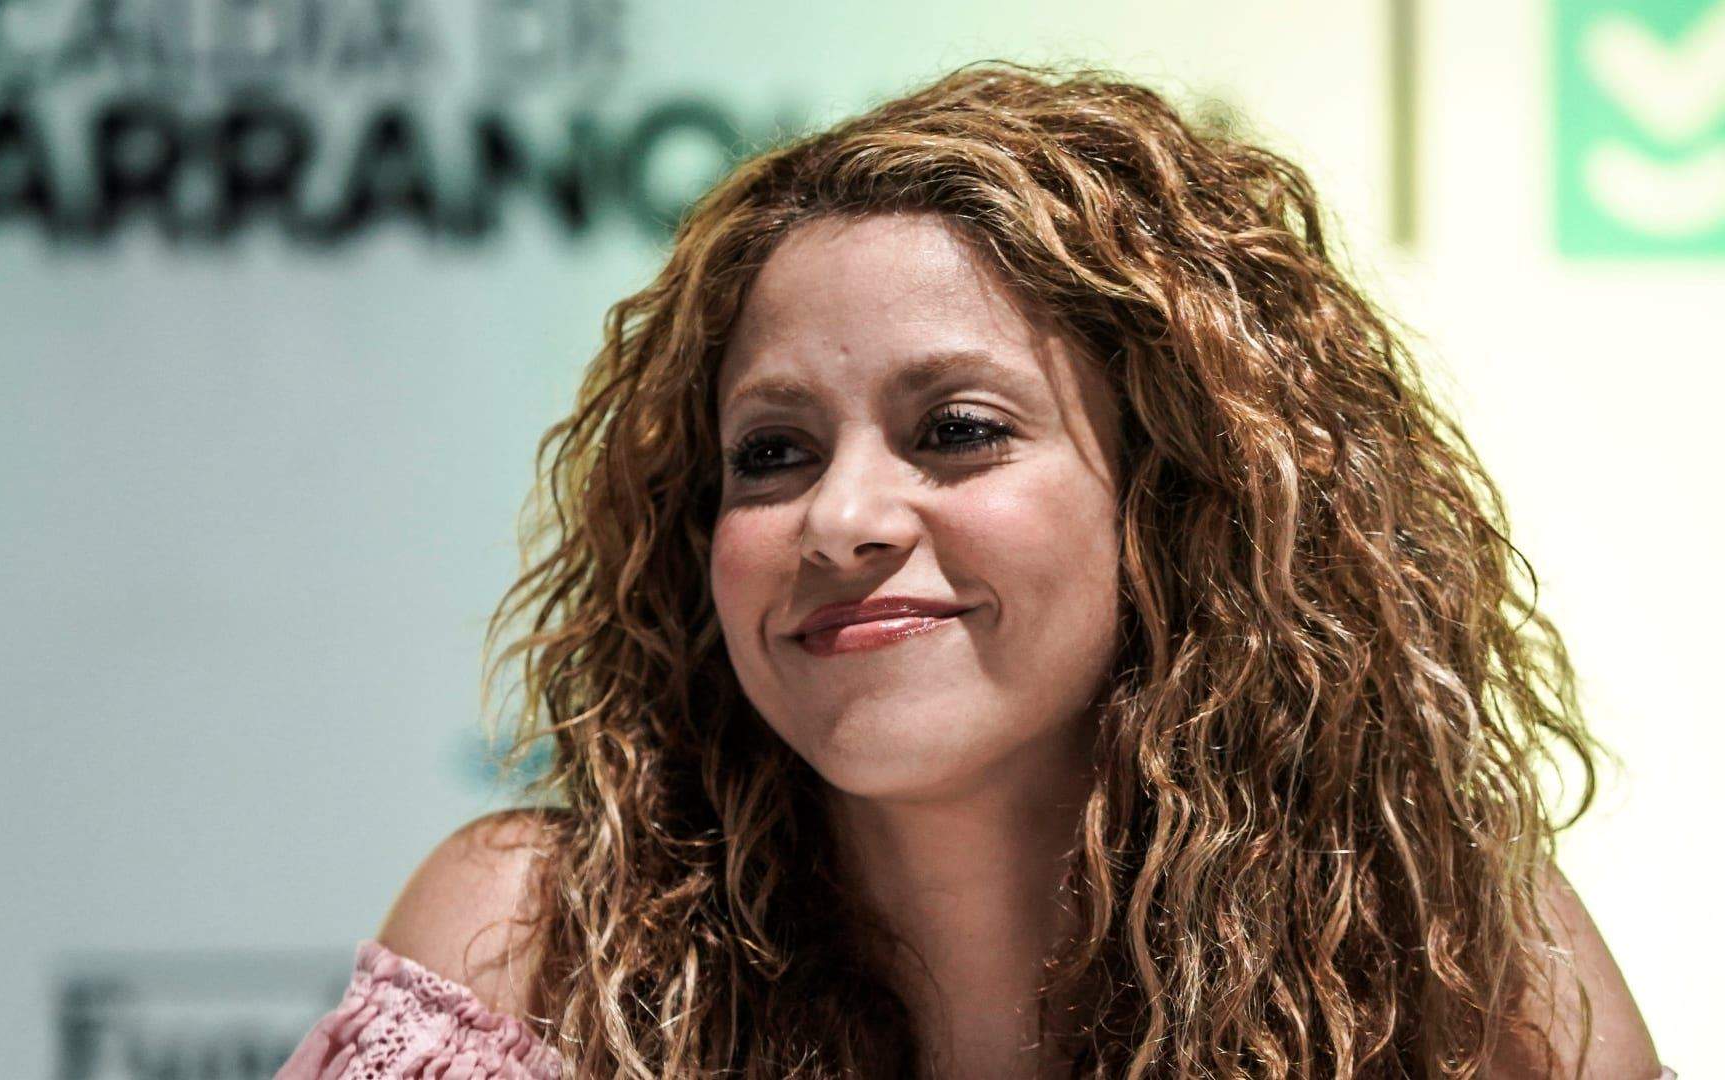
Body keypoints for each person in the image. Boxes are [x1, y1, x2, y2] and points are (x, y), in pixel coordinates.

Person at [275, 61, 1672, 1079]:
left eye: (956, 430)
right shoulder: (531, 939)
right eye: (772, 453)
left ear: (1179, 494)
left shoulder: (1450, 947)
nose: (840, 519)